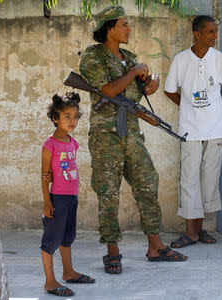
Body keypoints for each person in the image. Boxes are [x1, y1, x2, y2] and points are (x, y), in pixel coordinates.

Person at [79, 5, 186, 274]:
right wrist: (133, 71)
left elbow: (138, 88)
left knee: (148, 182)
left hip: (132, 133)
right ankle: (112, 251)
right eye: (124, 24)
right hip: (106, 137)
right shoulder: (93, 57)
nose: (129, 28)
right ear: (110, 28)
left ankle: (155, 246)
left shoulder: (128, 56)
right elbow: (108, 89)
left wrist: (153, 80)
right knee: (109, 193)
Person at [164, 15, 222, 248]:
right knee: (189, 179)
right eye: (210, 32)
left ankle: (200, 228)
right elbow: (169, 90)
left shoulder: (221, 60)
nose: (215, 36)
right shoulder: (181, 60)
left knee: (209, 179)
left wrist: (213, 108)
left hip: (215, 129)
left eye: (215, 31)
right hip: (190, 130)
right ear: (197, 34)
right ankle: (190, 232)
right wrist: (188, 106)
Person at [40, 93, 95, 297]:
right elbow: (45, 176)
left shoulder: (72, 142)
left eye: (75, 116)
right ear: (55, 118)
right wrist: (47, 201)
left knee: (67, 237)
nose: (73, 121)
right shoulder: (49, 145)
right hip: (58, 199)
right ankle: (50, 281)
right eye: (67, 117)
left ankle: (69, 272)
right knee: (51, 241)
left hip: (72, 197)